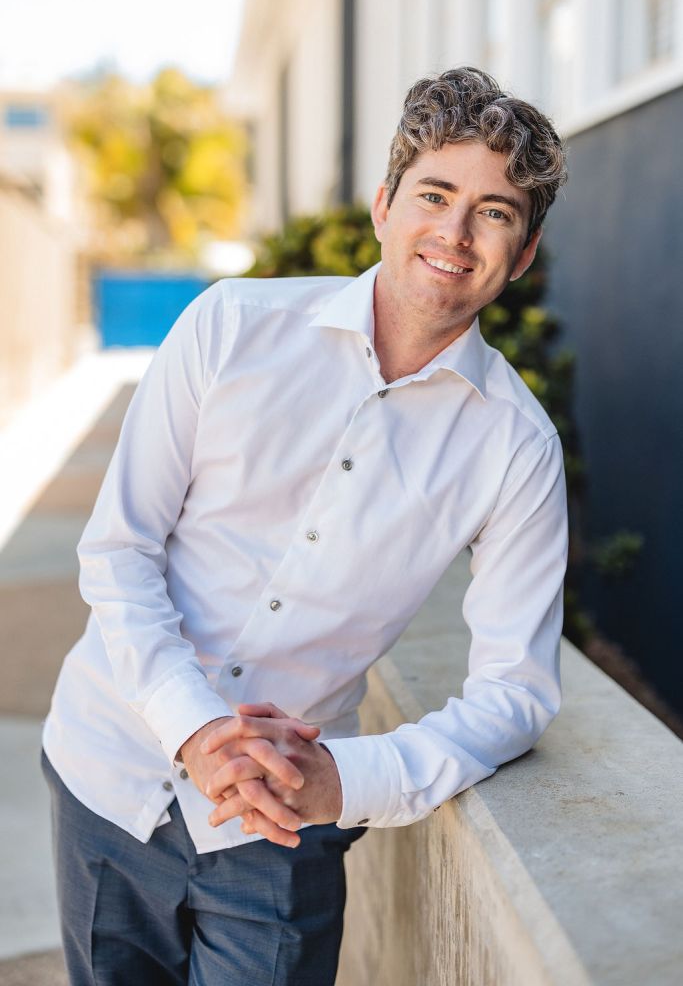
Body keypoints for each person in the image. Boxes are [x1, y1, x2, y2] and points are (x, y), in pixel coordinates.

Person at [42, 66, 569, 985]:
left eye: (492, 213)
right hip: (108, 770)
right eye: (434, 195)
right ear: (383, 204)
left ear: (519, 255)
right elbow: (119, 548)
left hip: (285, 826)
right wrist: (196, 730)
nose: (453, 233)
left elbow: (516, 692)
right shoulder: (229, 325)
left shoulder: (515, 447)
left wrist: (352, 782)